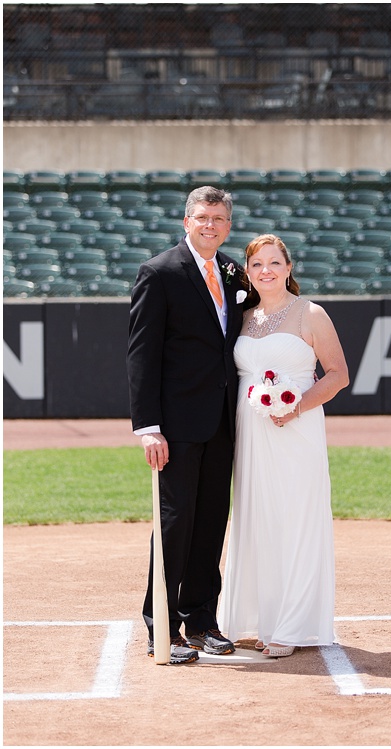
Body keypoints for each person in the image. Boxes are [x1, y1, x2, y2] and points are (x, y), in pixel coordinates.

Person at [127, 185, 243, 664]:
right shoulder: (159, 272)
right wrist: (148, 426)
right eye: (202, 217)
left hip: (223, 421)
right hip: (174, 425)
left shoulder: (235, 271)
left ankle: (201, 620)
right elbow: (141, 354)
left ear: (228, 225)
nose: (210, 225)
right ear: (186, 222)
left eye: (218, 218)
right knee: (176, 523)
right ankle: (163, 628)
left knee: (212, 521)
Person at [218, 234, 349, 658]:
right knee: (259, 519)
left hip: (296, 432)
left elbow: (337, 375)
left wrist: (296, 407)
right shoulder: (243, 317)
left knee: (296, 519)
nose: (266, 271)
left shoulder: (311, 313)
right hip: (251, 435)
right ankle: (263, 618)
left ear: (289, 268)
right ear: (248, 272)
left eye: (275, 263)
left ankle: (293, 625)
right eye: (257, 265)